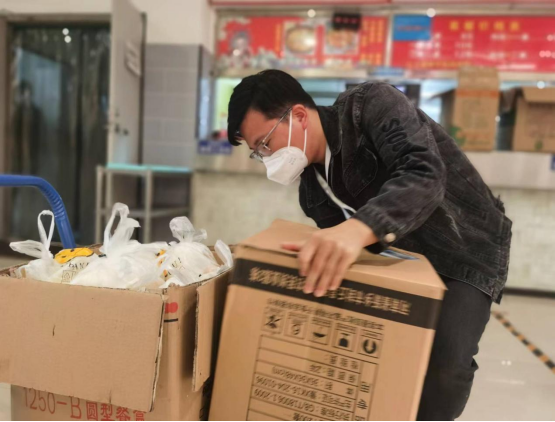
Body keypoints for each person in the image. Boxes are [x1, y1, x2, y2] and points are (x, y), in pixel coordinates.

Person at [227, 70, 512, 421]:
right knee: (388, 355)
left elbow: (423, 173)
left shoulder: (369, 106)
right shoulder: (312, 192)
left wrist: (358, 229)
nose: (266, 157)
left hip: (465, 248)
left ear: (298, 115)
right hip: (405, 260)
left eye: (265, 143)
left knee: (446, 362)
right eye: (257, 153)